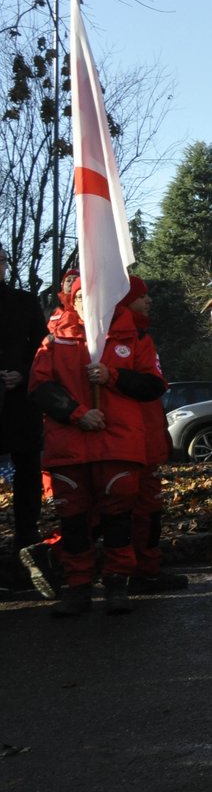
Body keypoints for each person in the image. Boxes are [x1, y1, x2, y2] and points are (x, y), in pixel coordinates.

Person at [28, 276, 167, 615]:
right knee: (73, 520)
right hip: (70, 446)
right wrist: (78, 414)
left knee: (118, 517)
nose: (87, 304)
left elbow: (152, 385)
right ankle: (77, 588)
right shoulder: (53, 341)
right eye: (80, 299)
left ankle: (117, 584)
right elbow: (39, 389)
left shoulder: (135, 338)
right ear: (70, 302)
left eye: (94, 298)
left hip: (118, 444)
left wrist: (112, 376)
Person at [121, 277, 188, 593]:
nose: (149, 301)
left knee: (148, 507)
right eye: (142, 297)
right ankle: (57, 554)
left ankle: (145, 569)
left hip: (145, 437)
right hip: (130, 439)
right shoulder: (120, 338)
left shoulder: (141, 335)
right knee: (117, 509)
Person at [1, 246, 49, 591]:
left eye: (0, 262)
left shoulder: (23, 301)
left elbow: (42, 345)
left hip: (20, 403)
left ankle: (27, 544)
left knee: (28, 471)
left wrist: (23, 372)